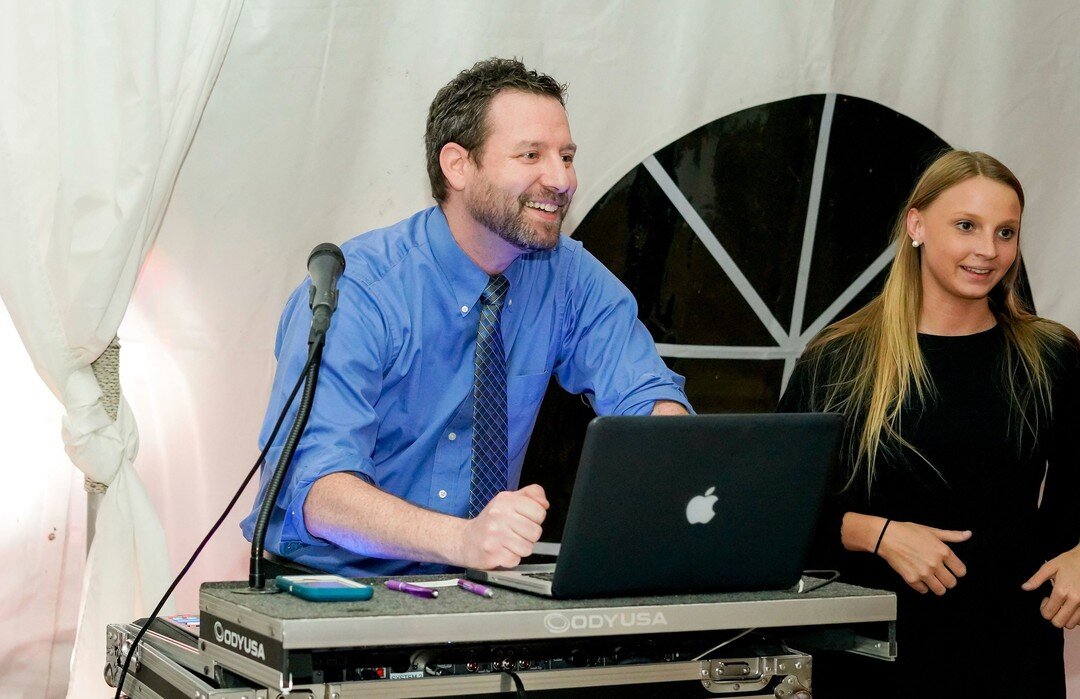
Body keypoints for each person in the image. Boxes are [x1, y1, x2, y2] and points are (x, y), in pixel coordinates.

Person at [240, 58, 690, 578]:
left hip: (470, 590)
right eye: (531, 155)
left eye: (566, 156)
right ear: (457, 165)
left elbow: (646, 400)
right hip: (330, 590)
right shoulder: (361, 291)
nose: (562, 179)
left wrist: (682, 469)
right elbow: (318, 489)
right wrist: (463, 539)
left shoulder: (568, 277)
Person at [780, 150, 1080, 697]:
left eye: (1006, 232)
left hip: (1010, 654)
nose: (988, 251)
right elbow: (774, 512)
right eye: (966, 226)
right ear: (916, 225)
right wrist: (876, 533)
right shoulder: (839, 360)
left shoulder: (1050, 355)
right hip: (870, 653)